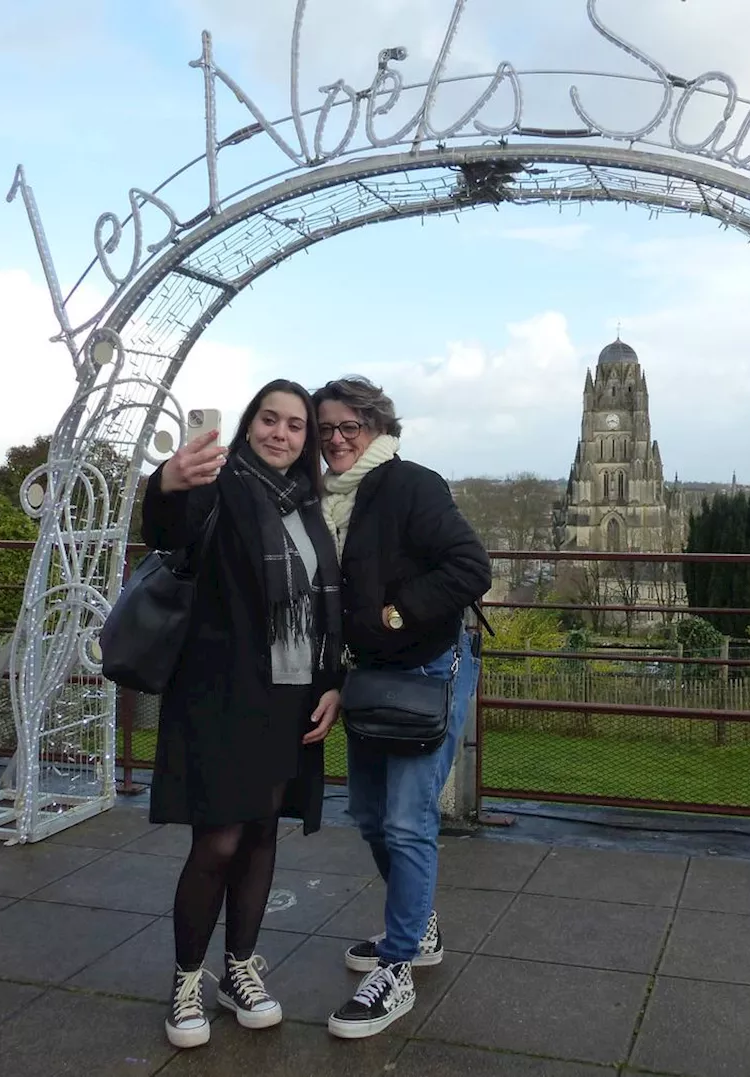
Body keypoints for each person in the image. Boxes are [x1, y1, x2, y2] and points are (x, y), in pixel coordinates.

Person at [141, 379, 343, 1049]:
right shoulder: (220, 484)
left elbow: (321, 604)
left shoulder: (307, 505)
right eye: (269, 418)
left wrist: (332, 682)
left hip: (290, 695)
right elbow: (168, 532)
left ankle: (239, 969)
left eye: (295, 425)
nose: (281, 433)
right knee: (219, 840)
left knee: (261, 833)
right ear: (250, 422)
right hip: (223, 692)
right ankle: (187, 978)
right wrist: (167, 480)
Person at [312, 376, 491, 1040]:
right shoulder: (325, 500)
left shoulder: (411, 483)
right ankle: (418, 926)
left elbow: (471, 565)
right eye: (325, 427)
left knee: (407, 818)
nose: (335, 438)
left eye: (348, 426)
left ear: (376, 428)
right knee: (367, 813)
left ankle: (397, 967)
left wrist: (399, 608)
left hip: (425, 665)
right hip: (371, 674)